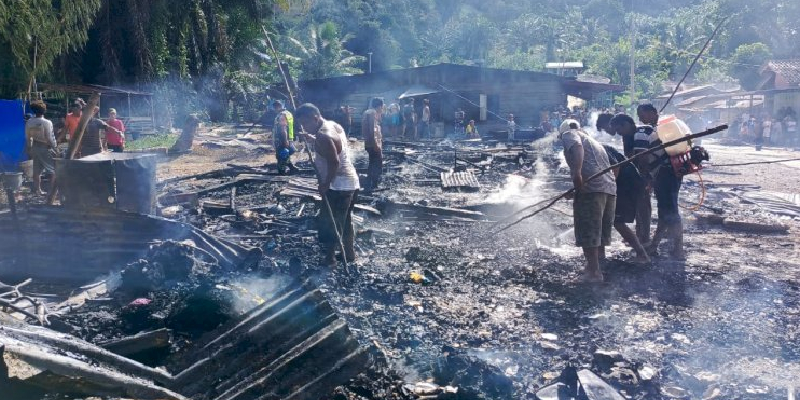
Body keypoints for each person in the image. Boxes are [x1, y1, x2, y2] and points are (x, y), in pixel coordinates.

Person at [294, 104, 360, 267]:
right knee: (344, 221)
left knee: (330, 222)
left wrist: (325, 184)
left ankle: (330, 259)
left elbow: (334, 162)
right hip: (350, 183)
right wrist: (312, 138)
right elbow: (333, 146)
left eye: (305, 123)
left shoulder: (324, 135)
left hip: (338, 186)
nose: (304, 127)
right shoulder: (332, 125)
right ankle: (350, 253)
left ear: (315, 118)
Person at [559, 119, 617, 283]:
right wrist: (576, 188)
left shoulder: (570, 133)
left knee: (588, 228)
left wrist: (577, 173)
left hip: (592, 189)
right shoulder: (594, 142)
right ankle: (596, 265)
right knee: (599, 229)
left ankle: (594, 272)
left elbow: (576, 147)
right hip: (609, 188)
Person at [597, 113, 650, 264]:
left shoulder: (597, 148)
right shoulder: (601, 145)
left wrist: (609, 187)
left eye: (618, 129)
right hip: (628, 182)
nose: (616, 133)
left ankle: (642, 252)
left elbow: (616, 167)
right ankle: (601, 254)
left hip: (629, 184)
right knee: (608, 218)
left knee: (617, 220)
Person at [634, 104, 684, 259]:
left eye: (642, 114)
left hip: (664, 175)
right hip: (673, 173)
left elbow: (641, 158)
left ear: (653, 113)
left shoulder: (647, 131)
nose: (640, 118)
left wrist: (646, 177)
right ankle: (655, 245)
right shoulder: (661, 129)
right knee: (665, 211)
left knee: (671, 213)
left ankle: (679, 249)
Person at [25, 102, 57, 196]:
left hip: (35, 147)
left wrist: (29, 148)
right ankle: (52, 192)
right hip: (46, 147)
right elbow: (49, 138)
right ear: (44, 111)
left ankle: (38, 190)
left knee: (37, 171)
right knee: (53, 170)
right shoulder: (47, 122)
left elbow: (28, 137)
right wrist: (55, 148)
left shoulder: (29, 122)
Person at [362, 97, 384, 190]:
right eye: (382, 107)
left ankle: (369, 183)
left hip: (368, 143)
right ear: (379, 106)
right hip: (373, 143)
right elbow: (373, 130)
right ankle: (374, 184)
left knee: (372, 163)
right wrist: (376, 144)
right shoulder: (373, 113)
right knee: (377, 163)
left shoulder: (367, 112)